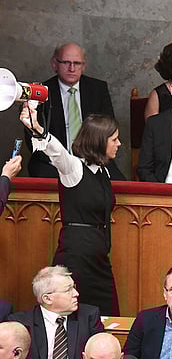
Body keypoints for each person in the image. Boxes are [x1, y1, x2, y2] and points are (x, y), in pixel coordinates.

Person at [20, 103, 121, 316]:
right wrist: (38, 128)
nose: (119, 144)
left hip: (99, 258)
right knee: (73, 317)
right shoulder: (74, 168)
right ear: (99, 141)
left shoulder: (104, 171)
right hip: (77, 257)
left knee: (108, 315)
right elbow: (57, 152)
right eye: (114, 139)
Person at [25, 42, 125, 180]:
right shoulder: (41, 92)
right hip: (52, 164)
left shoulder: (97, 89)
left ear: (83, 66)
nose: (72, 68)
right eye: (66, 62)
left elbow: (108, 129)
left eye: (77, 63)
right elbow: (33, 139)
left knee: (122, 188)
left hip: (94, 161)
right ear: (55, 64)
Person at [9, 266, 104, 359]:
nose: (76, 293)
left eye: (74, 287)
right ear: (47, 299)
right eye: (68, 290)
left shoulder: (88, 316)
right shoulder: (21, 323)